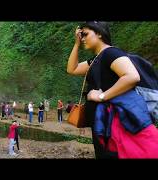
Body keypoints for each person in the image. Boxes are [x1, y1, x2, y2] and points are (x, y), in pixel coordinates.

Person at [67, 21, 158, 158]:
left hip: (115, 124)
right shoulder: (97, 58)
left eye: (85, 34)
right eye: (81, 36)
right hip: (103, 123)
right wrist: (76, 44)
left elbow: (132, 76)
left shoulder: (111, 53)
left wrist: (101, 96)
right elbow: (72, 69)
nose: (83, 38)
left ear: (99, 33)